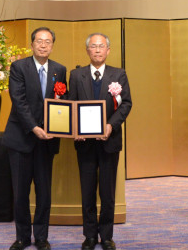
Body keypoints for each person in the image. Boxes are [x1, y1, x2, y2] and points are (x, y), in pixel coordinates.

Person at [2, 27, 67, 250]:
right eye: (39, 41)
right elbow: (18, 101)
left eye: (48, 41)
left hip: (47, 142)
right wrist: (34, 127)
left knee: (44, 192)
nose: (43, 45)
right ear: (32, 44)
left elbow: (62, 102)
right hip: (21, 139)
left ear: (52, 46)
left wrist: (60, 126)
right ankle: (22, 237)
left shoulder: (59, 69)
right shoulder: (19, 67)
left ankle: (41, 237)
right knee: (20, 192)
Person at [69, 33, 132, 250]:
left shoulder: (119, 74)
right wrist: (75, 128)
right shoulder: (76, 75)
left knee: (107, 192)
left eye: (101, 46)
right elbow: (71, 105)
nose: (97, 50)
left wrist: (110, 125)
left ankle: (106, 236)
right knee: (87, 191)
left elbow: (126, 104)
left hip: (109, 142)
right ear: (87, 50)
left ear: (108, 50)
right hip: (84, 143)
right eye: (93, 46)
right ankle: (89, 236)